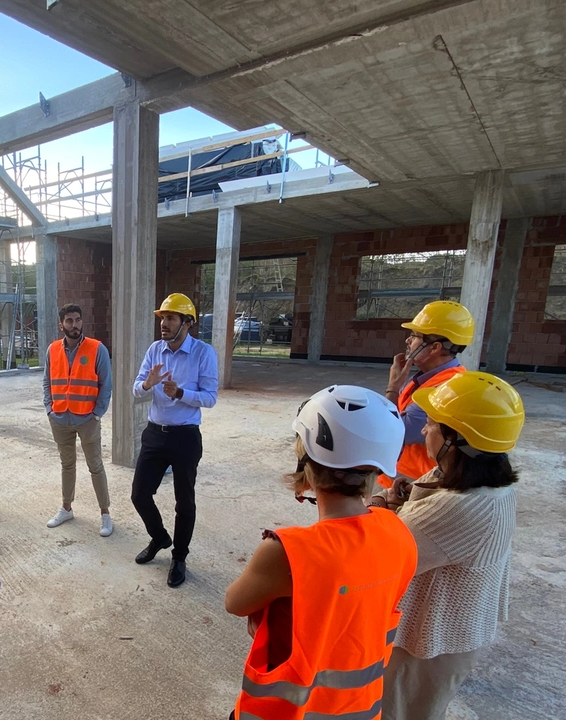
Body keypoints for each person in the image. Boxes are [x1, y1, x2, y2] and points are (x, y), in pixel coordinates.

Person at [225, 385, 417, 720]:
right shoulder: (398, 533)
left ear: (307, 463)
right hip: (360, 711)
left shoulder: (288, 552)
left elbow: (235, 603)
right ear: (376, 469)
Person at [372, 372, 524, 720]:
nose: (425, 431)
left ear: (455, 439)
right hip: (443, 634)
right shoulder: (470, 479)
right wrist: (402, 497)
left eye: (432, 425)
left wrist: (376, 504)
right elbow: (423, 502)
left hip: (428, 643)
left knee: (397, 712)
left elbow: (380, 553)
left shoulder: (461, 506)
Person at [131, 293, 218, 588]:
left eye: (170, 318)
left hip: (185, 438)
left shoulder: (204, 353)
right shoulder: (155, 350)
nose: (164, 324)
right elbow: (135, 390)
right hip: (155, 433)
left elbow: (210, 398)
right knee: (140, 494)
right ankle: (159, 537)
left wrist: (181, 393)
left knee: (185, 502)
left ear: (187, 323)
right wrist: (148, 384)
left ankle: (179, 556)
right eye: (162, 318)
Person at [380, 300, 473, 488]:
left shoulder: (442, 390)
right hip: (399, 483)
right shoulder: (431, 379)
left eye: (415, 336)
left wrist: (393, 387)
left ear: (435, 348)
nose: (408, 341)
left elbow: (387, 434)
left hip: (411, 487)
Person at [43, 303, 114, 536]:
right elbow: (47, 381)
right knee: (67, 465)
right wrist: (49, 409)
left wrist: (97, 414)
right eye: (69, 321)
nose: (74, 325)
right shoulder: (52, 350)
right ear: (61, 324)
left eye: (78, 320)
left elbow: (106, 384)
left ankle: (105, 514)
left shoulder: (97, 349)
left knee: (95, 466)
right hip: (60, 418)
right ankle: (66, 508)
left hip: (87, 419)